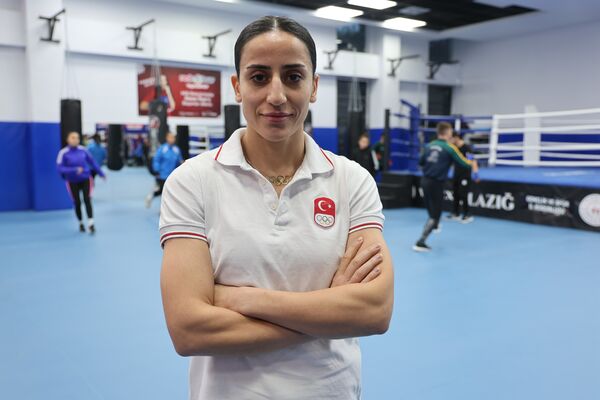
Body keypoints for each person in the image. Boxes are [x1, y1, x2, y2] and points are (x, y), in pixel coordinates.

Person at [159, 16, 393, 400]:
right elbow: (189, 330)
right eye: (259, 77)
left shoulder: (352, 181)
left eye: (293, 76)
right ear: (237, 86)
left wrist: (242, 299)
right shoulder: (191, 182)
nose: (277, 95)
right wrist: (328, 314)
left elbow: (375, 312)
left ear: (314, 86)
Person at [413, 122, 477, 252]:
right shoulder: (450, 148)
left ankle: (435, 225)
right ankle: (421, 242)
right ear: (448, 133)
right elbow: (464, 163)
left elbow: (421, 162)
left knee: (432, 210)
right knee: (435, 213)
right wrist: (473, 163)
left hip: (424, 181)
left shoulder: (429, 145)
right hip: (436, 183)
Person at [57, 131, 106, 233]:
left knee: (87, 199)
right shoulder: (63, 153)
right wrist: (74, 170)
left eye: (77, 138)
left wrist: (101, 173)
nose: (75, 140)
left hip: (85, 179)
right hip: (72, 181)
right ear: (68, 140)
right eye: (73, 138)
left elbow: (92, 162)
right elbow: (60, 169)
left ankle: (91, 223)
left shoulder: (83, 150)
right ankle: (80, 223)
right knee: (77, 202)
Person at [447, 131, 479, 223]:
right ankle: (455, 213)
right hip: (456, 174)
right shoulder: (454, 148)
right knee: (455, 193)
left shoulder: (467, 148)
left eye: (451, 138)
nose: (449, 141)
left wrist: (476, 174)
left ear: (456, 138)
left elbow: (472, 161)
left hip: (465, 175)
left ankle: (467, 214)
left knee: (464, 194)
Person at [145, 131, 182, 208]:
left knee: (170, 192)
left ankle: (163, 206)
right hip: (162, 175)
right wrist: (157, 170)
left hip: (172, 175)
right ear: (167, 138)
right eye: (170, 137)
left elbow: (179, 161)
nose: (172, 139)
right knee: (164, 191)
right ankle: (153, 197)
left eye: (173, 137)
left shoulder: (176, 149)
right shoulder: (162, 148)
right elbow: (156, 160)